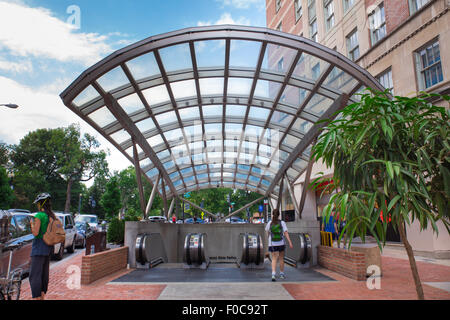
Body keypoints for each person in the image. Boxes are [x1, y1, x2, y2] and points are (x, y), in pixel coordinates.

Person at [29, 192, 57, 300]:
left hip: (39, 247)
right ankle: (42, 296)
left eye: (38, 203)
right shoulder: (51, 215)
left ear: (41, 203)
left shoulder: (39, 216)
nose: (37, 205)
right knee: (44, 274)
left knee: (34, 275)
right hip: (48, 247)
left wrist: (32, 224)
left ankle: (36, 298)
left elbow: (36, 233)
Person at [265, 209, 293, 281]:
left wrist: (268, 240)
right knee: (281, 258)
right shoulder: (282, 223)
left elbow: (267, 233)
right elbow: (286, 233)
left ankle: (273, 274)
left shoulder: (269, 223)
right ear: (279, 215)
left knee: (274, 259)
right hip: (281, 243)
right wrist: (290, 242)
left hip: (272, 244)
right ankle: (281, 274)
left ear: (272, 214)